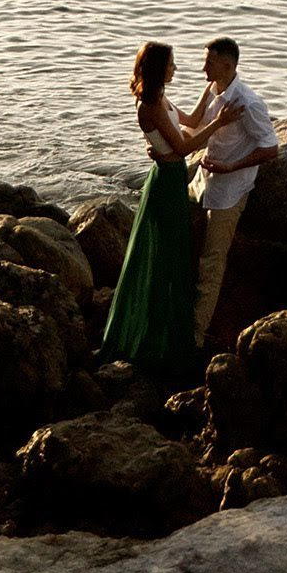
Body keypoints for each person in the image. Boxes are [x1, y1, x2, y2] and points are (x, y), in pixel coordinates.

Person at [100, 41, 200, 378]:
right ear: (159, 68)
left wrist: (216, 93)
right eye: (171, 64)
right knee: (162, 258)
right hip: (167, 181)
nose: (175, 69)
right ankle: (155, 340)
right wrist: (221, 123)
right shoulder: (150, 105)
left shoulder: (161, 99)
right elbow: (184, 145)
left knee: (170, 255)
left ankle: (165, 335)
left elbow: (191, 120)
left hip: (170, 176)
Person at [181, 34, 278, 348]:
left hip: (230, 191)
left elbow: (270, 149)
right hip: (204, 181)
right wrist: (159, 108)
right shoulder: (212, 88)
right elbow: (194, 121)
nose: (202, 68)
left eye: (208, 62)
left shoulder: (248, 103)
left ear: (226, 64)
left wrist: (231, 167)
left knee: (212, 261)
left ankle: (194, 336)